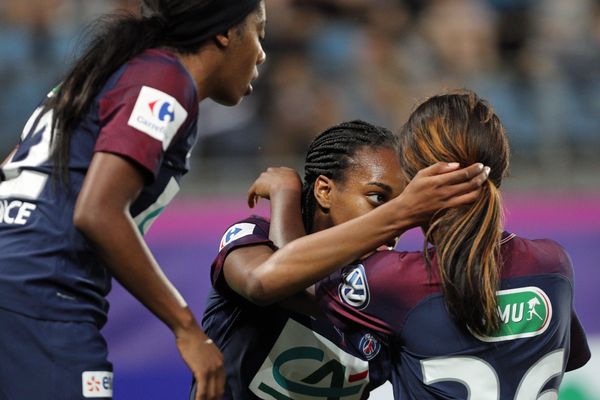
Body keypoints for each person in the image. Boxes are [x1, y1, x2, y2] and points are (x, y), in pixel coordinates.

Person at [0, 1, 266, 399]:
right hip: (41, 292)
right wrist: (187, 329)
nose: (262, 53)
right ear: (226, 32)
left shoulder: (118, 70)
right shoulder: (165, 80)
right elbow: (97, 211)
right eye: (259, 33)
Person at [315, 91, 591, 399]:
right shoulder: (553, 263)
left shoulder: (392, 280)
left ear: (419, 183)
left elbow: (287, 277)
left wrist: (399, 213)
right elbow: (574, 356)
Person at [195, 120, 490, 399]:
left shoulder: (387, 290)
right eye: (377, 197)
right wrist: (287, 194)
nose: (396, 223)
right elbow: (265, 282)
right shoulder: (252, 238)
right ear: (324, 190)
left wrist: (285, 192)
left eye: (403, 206)